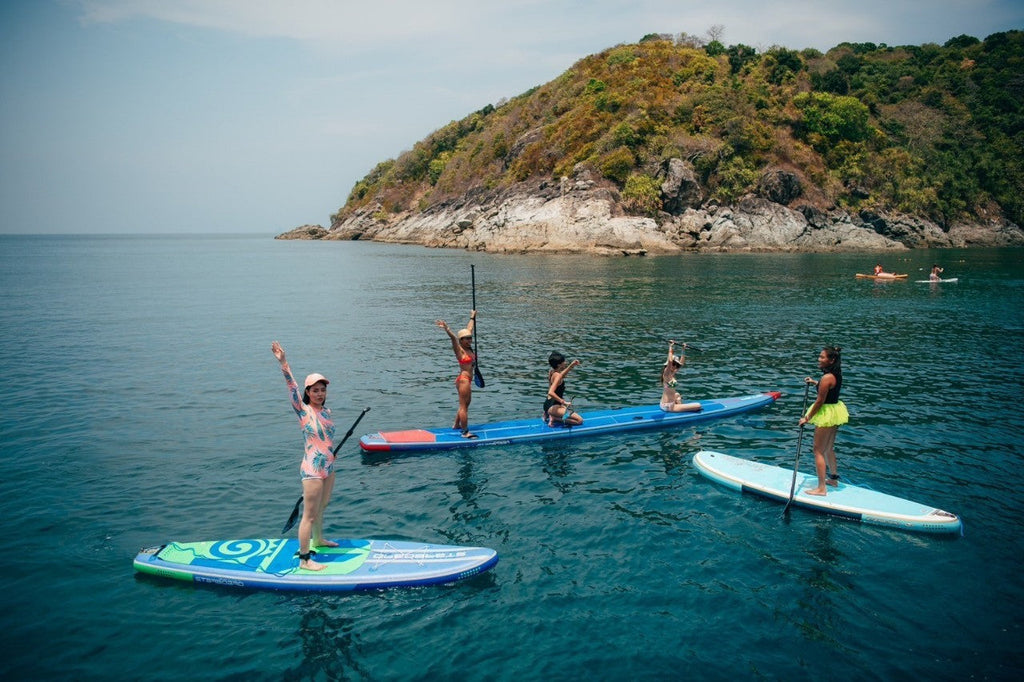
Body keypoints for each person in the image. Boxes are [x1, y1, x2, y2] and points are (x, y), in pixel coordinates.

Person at [271, 341, 339, 571]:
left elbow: (327, 439)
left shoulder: (327, 412)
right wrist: (283, 363)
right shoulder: (303, 410)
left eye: (323, 390)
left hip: (328, 466)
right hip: (312, 469)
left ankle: (318, 540)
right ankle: (304, 560)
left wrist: (330, 454)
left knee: (323, 506)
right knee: (308, 516)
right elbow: (291, 386)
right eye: (315, 390)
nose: (320, 394)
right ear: (308, 393)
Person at [798, 346, 849, 497]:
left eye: (822, 357)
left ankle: (821, 488)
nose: (819, 360)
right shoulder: (836, 374)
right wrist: (815, 383)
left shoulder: (827, 378)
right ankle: (833, 479)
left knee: (818, 451)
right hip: (835, 411)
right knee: (828, 448)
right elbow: (828, 389)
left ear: (831, 360)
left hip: (826, 413)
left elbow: (820, 401)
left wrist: (807, 418)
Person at [436, 310, 477, 438]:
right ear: (461, 340)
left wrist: (472, 317)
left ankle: (456, 425)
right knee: (463, 406)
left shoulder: (468, 348)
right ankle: (465, 432)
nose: (470, 340)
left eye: (470, 338)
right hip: (463, 380)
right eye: (467, 339)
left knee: (466, 405)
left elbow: (469, 328)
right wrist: (447, 329)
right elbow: (453, 338)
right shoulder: (459, 350)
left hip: (467, 380)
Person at [660, 340, 702, 413]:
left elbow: (681, 363)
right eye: (674, 364)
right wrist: (670, 347)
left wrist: (683, 350)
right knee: (698, 405)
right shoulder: (666, 374)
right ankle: (679, 409)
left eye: (676, 365)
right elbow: (670, 361)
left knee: (677, 395)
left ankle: (680, 407)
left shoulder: (672, 373)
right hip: (669, 406)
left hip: (666, 404)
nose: (675, 366)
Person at [544, 352, 583, 426]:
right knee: (579, 420)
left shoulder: (552, 372)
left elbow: (561, 376)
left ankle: (549, 414)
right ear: (559, 364)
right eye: (564, 361)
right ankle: (555, 418)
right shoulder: (558, 376)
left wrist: (571, 366)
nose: (565, 363)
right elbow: (550, 392)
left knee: (568, 410)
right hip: (553, 406)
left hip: (548, 404)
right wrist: (564, 402)